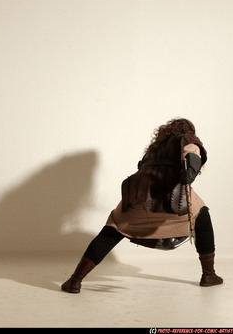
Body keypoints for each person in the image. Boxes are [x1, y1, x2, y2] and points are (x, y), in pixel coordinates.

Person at [61, 118, 223, 293]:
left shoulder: (154, 150)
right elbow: (192, 150)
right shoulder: (187, 139)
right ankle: (209, 275)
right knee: (202, 215)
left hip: (138, 200)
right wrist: (190, 170)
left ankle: (75, 280)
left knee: (113, 228)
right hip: (172, 201)